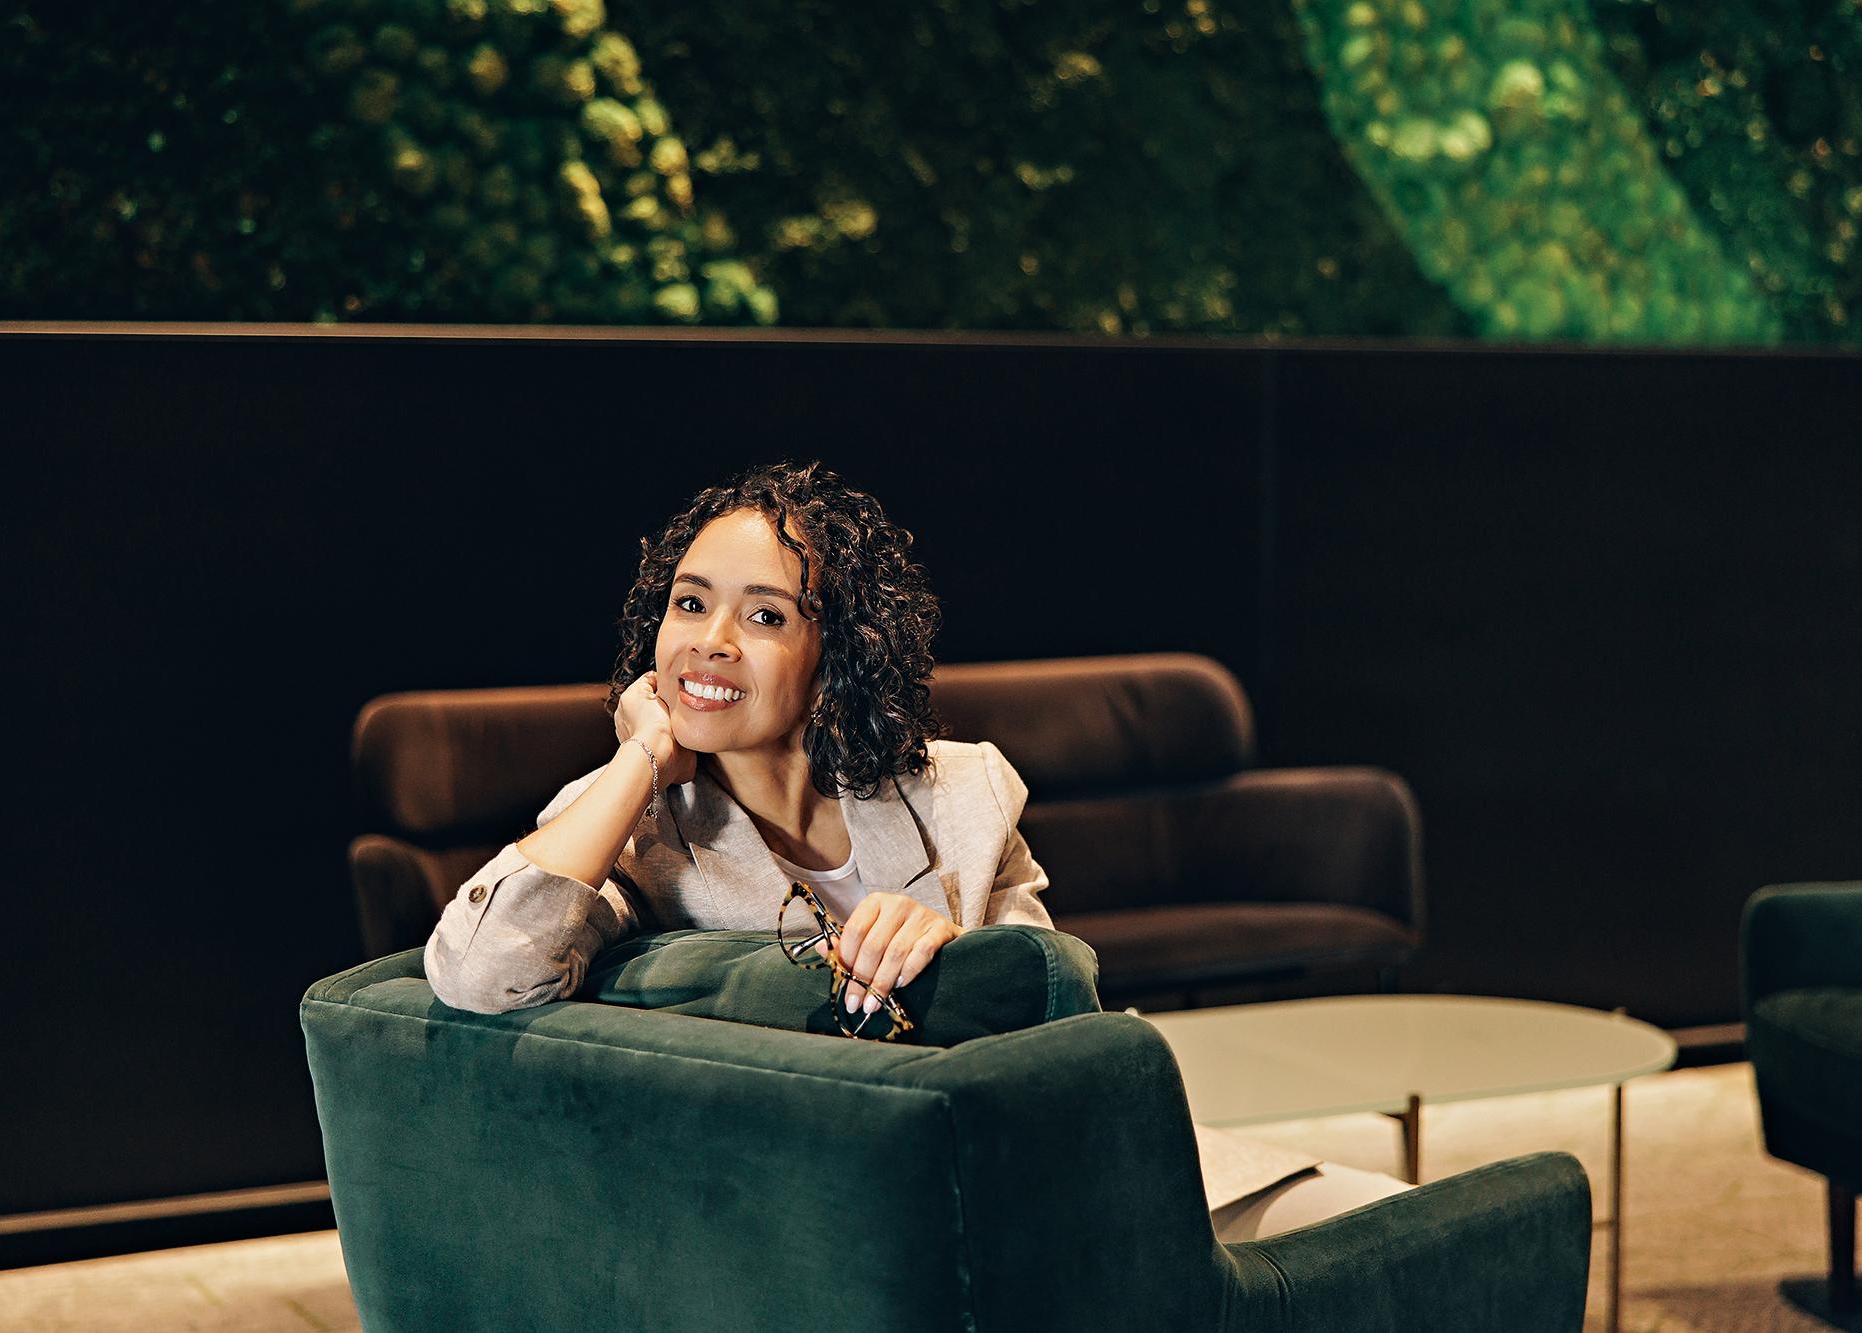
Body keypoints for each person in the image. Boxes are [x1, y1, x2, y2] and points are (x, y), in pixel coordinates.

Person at [423, 458, 1410, 1237]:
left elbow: (1056, 1014)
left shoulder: (961, 791)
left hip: (1059, 1163)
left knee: (1397, 1227)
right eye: (689, 602)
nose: (710, 639)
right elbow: (478, 970)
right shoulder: (624, 830)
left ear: (837, 652)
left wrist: (954, 949)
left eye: (764, 614)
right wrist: (641, 752)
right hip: (848, 1222)